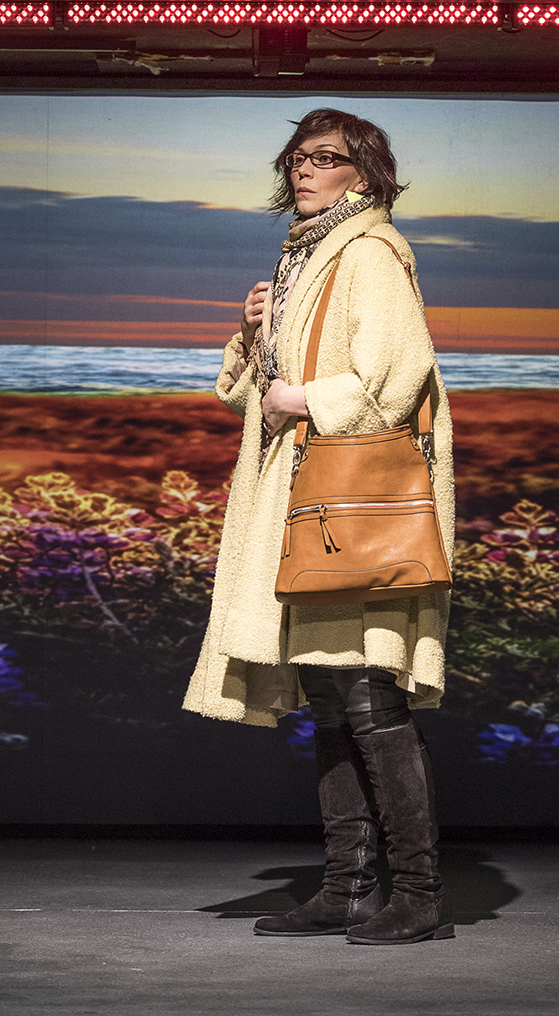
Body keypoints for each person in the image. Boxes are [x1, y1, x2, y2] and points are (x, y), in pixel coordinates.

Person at [182, 108, 455, 945]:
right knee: (334, 701)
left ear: (362, 175)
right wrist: (254, 335)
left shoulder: (368, 253)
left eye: (325, 157)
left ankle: (417, 894)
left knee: (369, 696)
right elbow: (254, 394)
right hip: (309, 508)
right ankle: (347, 887)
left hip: (349, 512)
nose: (303, 169)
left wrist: (305, 396)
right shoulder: (304, 259)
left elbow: (397, 371)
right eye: (296, 158)